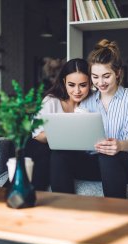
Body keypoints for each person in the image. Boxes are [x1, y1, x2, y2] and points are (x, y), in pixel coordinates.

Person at [50, 39, 128, 198]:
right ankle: (63, 209)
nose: (100, 82)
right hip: (94, 163)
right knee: (58, 155)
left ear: (118, 73)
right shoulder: (85, 101)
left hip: (126, 163)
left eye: (106, 76)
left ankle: (114, 214)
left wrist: (120, 145)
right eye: (95, 77)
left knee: (107, 154)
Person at [24, 58, 92, 191]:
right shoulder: (51, 101)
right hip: (48, 150)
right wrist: (61, 131)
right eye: (71, 85)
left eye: (83, 85)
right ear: (64, 82)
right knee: (38, 147)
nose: (77, 91)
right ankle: (31, 190)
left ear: (90, 83)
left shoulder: (93, 101)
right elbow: (38, 136)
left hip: (80, 156)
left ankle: (27, 191)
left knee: (56, 153)